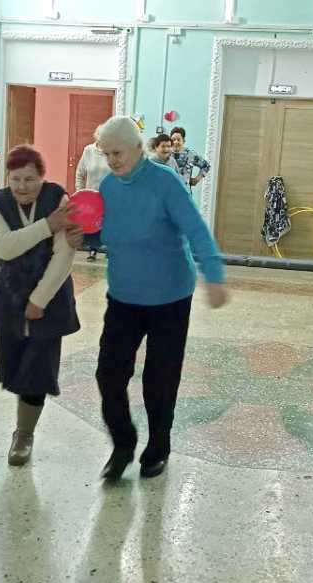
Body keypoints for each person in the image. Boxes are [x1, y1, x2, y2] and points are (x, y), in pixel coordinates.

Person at [95, 116, 227, 481]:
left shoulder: (165, 182)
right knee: (109, 374)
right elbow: (104, 233)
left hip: (169, 297)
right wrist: (81, 234)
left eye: (118, 153)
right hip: (123, 297)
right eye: (107, 154)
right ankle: (123, 444)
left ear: (139, 148)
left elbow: (196, 229)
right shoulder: (108, 186)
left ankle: (158, 448)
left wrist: (213, 274)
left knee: (160, 379)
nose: (112, 161)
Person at [0, 144, 83, 466]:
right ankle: (22, 426)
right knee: (13, 369)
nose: (22, 186)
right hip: (8, 300)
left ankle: (24, 435)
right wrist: (47, 226)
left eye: (29, 179)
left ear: (42, 177)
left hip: (50, 301)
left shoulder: (58, 199)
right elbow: (4, 247)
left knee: (37, 371)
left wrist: (39, 300)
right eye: (15, 179)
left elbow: (64, 254)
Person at [75, 131, 110, 261]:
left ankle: (111, 250)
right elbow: (80, 173)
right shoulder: (88, 151)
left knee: (110, 224)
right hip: (91, 198)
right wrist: (80, 193)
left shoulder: (112, 152)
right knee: (92, 225)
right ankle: (92, 250)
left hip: (109, 196)